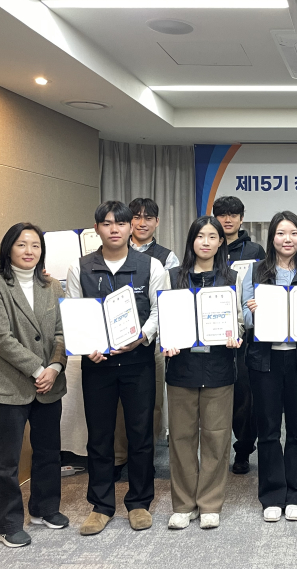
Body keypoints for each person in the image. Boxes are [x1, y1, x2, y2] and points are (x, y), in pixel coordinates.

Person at [66, 201, 167, 536]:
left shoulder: (151, 266)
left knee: (140, 435)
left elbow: (159, 310)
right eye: (107, 223)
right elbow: (75, 314)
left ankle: (139, 503)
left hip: (138, 362)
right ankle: (101, 506)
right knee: (99, 436)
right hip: (98, 365)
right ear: (97, 228)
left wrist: (142, 336)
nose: (114, 229)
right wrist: (87, 346)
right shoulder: (81, 267)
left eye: (121, 223)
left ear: (130, 228)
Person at [0, 223, 69, 547]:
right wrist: (38, 369)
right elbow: (0, 338)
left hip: (50, 384)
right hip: (9, 385)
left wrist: (55, 367)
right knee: (7, 459)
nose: (29, 251)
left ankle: (45, 509)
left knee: (48, 452)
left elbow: (61, 332)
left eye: (35, 245)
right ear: (9, 248)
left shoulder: (53, 285)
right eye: (21, 244)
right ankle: (5, 524)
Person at [242, 211, 297, 522]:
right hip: (265, 360)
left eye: (293, 233)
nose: (287, 239)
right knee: (267, 430)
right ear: (272, 238)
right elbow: (244, 317)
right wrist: (254, 312)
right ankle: (272, 495)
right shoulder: (255, 271)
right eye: (280, 233)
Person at [163, 216, 243, 530]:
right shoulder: (173, 277)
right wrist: (165, 341)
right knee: (181, 437)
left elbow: (239, 320)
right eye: (200, 236)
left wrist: (236, 335)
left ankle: (210, 503)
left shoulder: (231, 277)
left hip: (219, 367)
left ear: (221, 242)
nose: (205, 242)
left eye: (212, 237)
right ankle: (184, 505)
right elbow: (163, 318)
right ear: (191, 241)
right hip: (181, 368)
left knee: (216, 437)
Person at [111, 198, 180, 479]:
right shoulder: (113, 252)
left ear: (157, 222)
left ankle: (145, 456)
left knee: (151, 404)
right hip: (115, 343)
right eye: (136, 217)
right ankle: (119, 456)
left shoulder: (167, 257)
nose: (142, 223)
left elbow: (169, 302)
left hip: (152, 342)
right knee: (117, 404)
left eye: (148, 218)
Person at [213, 195, 266, 475]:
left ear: (242, 218)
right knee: (217, 397)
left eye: (233, 214)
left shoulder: (255, 250)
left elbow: (263, 288)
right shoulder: (208, 245)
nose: (228, 219)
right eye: (222, 214)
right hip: (215, 334)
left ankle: (243, 450)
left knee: (246, 398)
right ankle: (216, 452)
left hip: (247, 337)